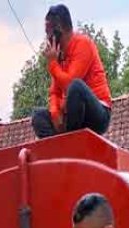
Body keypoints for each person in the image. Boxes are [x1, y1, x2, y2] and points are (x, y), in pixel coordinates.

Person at [31, 4, 112, 140]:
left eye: (48, 33)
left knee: (76, 87)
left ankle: (71, 141)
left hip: (97, 112)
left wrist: (52, 64)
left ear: (59, 30)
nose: (47, 39)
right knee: (38, 116)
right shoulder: (59, 56)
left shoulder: (83, 44)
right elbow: (54, 92)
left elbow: (69, 85)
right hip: (70, 115)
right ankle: (59, 149)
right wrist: (55, 113)